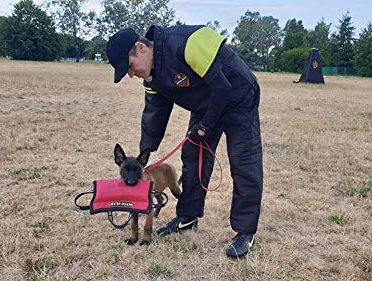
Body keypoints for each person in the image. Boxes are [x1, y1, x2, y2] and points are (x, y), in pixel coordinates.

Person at [106, 25, 263, 258]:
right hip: (207, 103)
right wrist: (143, 156)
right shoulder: (152, 77)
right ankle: (187, 217)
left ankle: (245, 232)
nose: (130, 74)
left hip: (238, 97)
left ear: (140, 48)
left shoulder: (186, 43)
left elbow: (222, 87)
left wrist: (205, 126)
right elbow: (154, 114)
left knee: (243, 163)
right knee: (193, 156)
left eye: (129, 66)